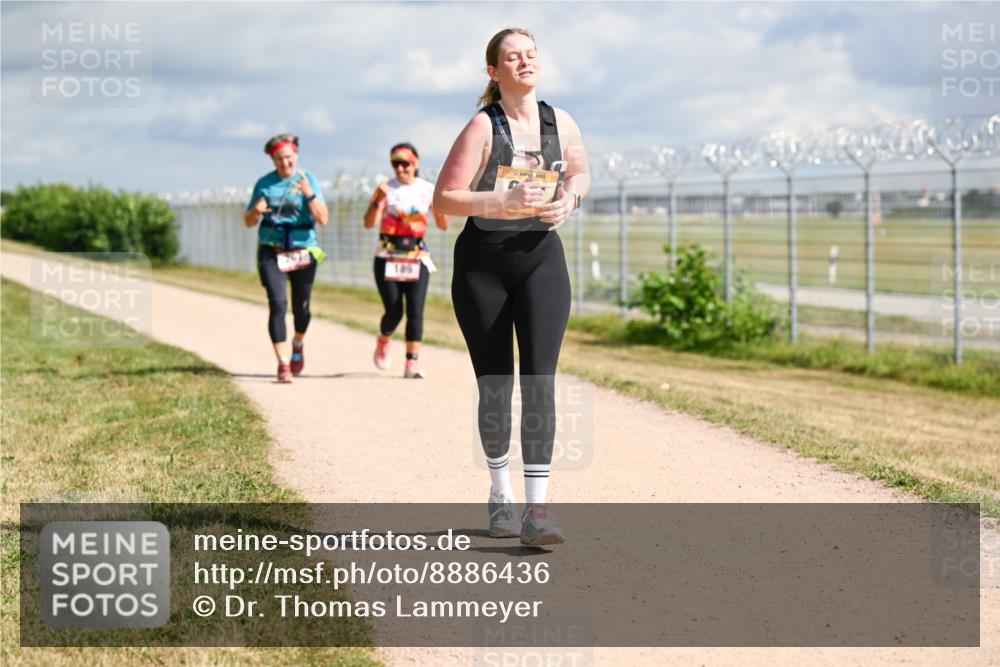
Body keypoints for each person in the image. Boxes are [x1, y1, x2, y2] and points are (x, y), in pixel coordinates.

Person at [432, 28, 590, 545]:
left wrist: (571, 199)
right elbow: (445, 199)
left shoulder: (559, 121)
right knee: (496, 384)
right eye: (511, 56)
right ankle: (501, 492)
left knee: (540, 380)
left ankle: (538, 511)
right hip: (484, 265)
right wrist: (497, 203)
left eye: (530, 54)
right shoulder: (482, 126)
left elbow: (581, 173)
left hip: (541, 259)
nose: (524, 62)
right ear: (493, 72)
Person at [244, 133, 329, 383]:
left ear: (296, 155)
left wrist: (309, 194)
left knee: (301, 308)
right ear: (273, 160)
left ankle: (298, 344)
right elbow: (248, 222)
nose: (285, 164)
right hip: (272, 249)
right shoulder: (264, 184)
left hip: (303, 249)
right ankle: (282, 363)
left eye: (289, 158)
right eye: (279, 159)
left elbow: (323, 219)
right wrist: (255, 211)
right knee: (278, 304)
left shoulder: (308, 179)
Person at [364, 143, 449, 378]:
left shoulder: (427, 189)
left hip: (416, 257)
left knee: (416, 309)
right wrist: (377, 200)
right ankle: (384, 339)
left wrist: (438, 207)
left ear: (416, 163)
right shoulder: (385, 189)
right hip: (387, 256)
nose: (400, 168)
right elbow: (369, 223)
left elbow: (443, 225)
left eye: (405, 163)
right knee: (394, 311)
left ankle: (412, 362)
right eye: (395, 164)